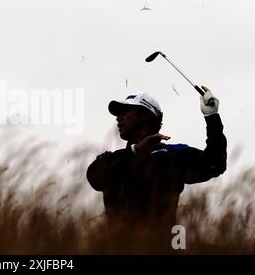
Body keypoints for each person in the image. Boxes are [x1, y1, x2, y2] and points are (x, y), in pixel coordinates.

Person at [86, 87, 227, 253]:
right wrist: (136, 151)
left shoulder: (172, 154)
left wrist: (212, 117)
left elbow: (214, 164)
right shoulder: (114, 159)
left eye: (125, 112)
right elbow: (94, 177)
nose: (118, 118)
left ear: (145, 115)